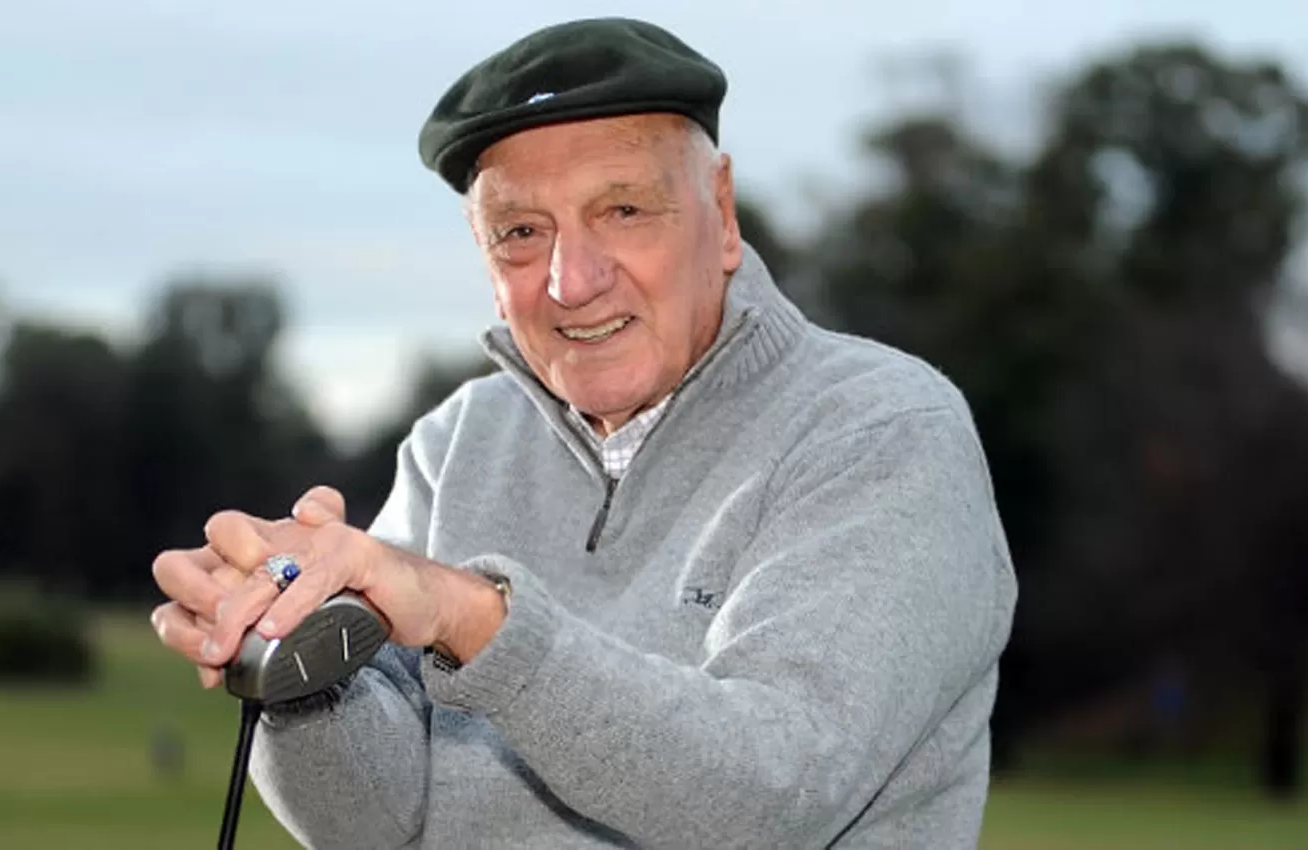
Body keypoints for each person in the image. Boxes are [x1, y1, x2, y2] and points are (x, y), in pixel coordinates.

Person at [149, 16, 1017, 849]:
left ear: (722, 210)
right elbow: (369, 826)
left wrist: (472, 615)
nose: (573, 279)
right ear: (487, 264)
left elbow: (774, 795)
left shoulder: (882, 429)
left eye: (624, 211)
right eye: (522, 233)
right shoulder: (457, 442)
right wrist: (296, 650)